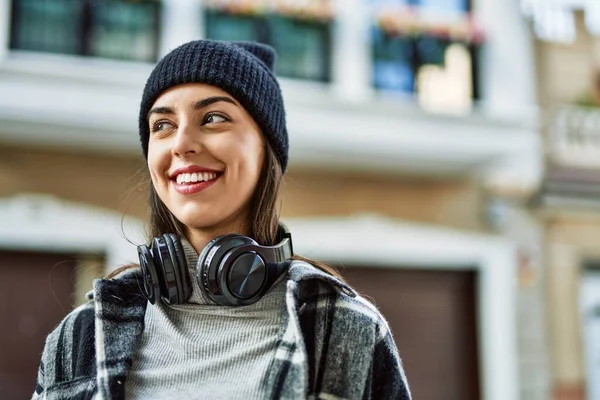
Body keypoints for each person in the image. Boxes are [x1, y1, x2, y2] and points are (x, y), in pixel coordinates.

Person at [32, 40, 411, 400]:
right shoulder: (79, 336)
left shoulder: (347, 327)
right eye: (162, 125)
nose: (181, 143)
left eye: (213, 118)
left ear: (267, 149)